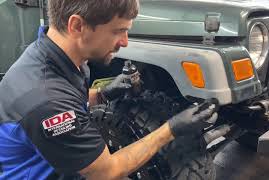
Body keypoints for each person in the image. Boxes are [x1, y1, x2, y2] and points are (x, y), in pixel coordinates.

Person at [0, 0, 217, 179]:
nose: (124, 42)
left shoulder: (56, 55)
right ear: (77, 26)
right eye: (118, 31)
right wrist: (172, 128)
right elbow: (106, 171)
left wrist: (102, 94)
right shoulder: (46, 100)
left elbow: (67, 97)